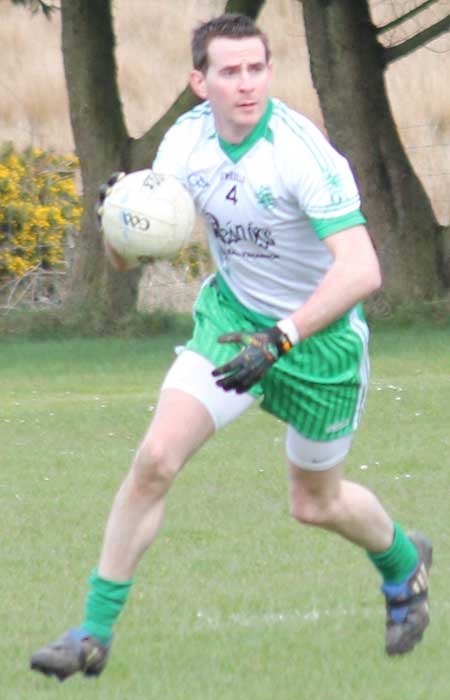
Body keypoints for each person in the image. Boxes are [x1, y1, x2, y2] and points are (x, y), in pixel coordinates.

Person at [30, 13, 432, 682]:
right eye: (230, 71)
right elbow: (128, 264)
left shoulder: (302, 153)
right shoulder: (186, 146)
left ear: (269, 73)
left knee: (314, 503)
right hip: (232, 322)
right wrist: (119, 222)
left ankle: (401, 563)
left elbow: (363, 270)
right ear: (199, 81)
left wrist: (283, 338)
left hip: (318, 346)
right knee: (156, 458)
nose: (247, 84)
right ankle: (92, 634)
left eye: (257, 69)